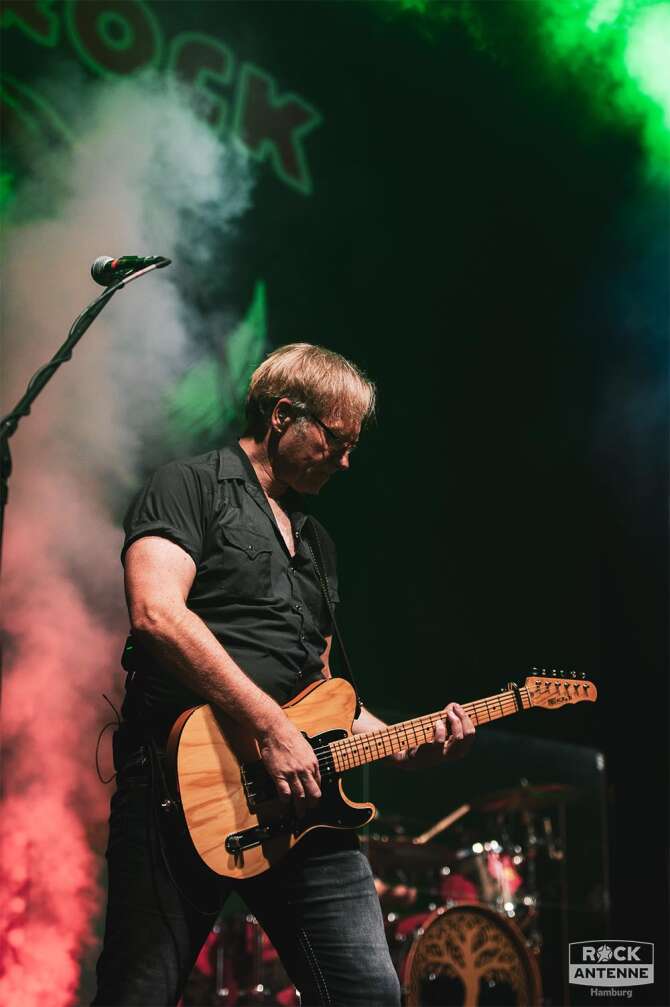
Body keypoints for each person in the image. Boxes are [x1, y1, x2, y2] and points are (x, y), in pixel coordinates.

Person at [92, 343, 475, 1006]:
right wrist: (266, 725)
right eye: (336, 440)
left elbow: (322, 693)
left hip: (303, 805)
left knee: (368, 993)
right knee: (138, 993)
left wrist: (406, 741)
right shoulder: (188, 485)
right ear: (283, 415)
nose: (347, 460)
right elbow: (155, 610)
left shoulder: (316, 541)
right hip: (182, 785)